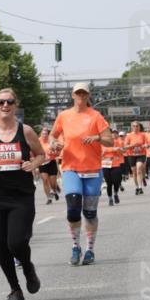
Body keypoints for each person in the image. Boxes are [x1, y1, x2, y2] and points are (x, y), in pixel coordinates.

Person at [0, 88, 45, 300]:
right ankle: (15, 289)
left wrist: (32, 163)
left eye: (9, 102)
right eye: (1, 102)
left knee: (16, 241)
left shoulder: (26, 131)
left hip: (21, 195)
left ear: (15, 105)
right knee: (0, 244)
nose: (5, 106)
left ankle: (28, 267)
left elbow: (42, 154)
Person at [50, 82, 113, 265]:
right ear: (72, 95)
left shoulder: (96, 116)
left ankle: (90, 250)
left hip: (93, 169)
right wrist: (54, 143)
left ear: (88, 96)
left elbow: (110, 141)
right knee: (73, 207)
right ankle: (76, 246)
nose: (81, 96)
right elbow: (53, 135)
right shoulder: (64, 116)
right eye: (78, 93)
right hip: (71, 168)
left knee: (90, 213)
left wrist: (97, 138)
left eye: (84, 93)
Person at [124, 120, 147, 196]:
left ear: (139, 127)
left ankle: (140, 187)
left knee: (139, 169)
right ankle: (137, 187)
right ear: (131, 127)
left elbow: (147, 144)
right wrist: (132, 145)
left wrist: (145, 146)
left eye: (137, 126)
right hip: (131, 155)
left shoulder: (143, 135)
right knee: (134, 172)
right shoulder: (128, 135)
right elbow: (125, 146)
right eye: (134, 126)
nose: (135, 127)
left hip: (141, 154)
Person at [38, 126, 60, 204]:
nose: (44, 135)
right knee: (45, 180)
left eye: (46, 134)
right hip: (42, 163)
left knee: (53, 182)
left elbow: (58, 152)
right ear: (40, 134)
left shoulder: (52, 141)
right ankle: (49, 197)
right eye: (43, 134)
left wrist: (54, 153)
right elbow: (34, 151)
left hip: (51, 162)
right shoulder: (38, 141)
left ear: (48, 134)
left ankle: (54, 190)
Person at [101, 130, 123, 205]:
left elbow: (122, 152)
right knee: (109, 183)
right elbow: (100, 152)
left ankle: (116, 194)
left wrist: (119, 150)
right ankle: (110, 199)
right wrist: (112, 149)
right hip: (105, 164)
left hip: (115, 164)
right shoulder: (101, 142)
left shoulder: (117, 142)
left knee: (116, 181)